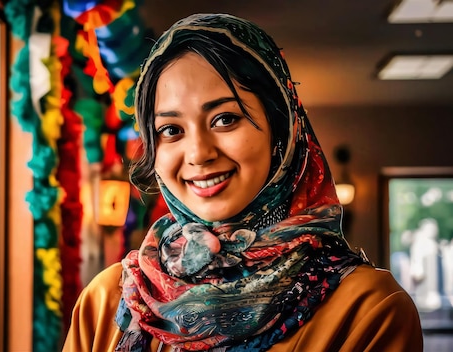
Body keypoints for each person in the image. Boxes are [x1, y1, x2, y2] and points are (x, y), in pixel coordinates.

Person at [63, 13, 423, 352]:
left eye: (224, 119)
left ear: (282, 129)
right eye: (171, 130)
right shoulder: (109, 299)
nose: (198, 153)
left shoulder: (365, 308)